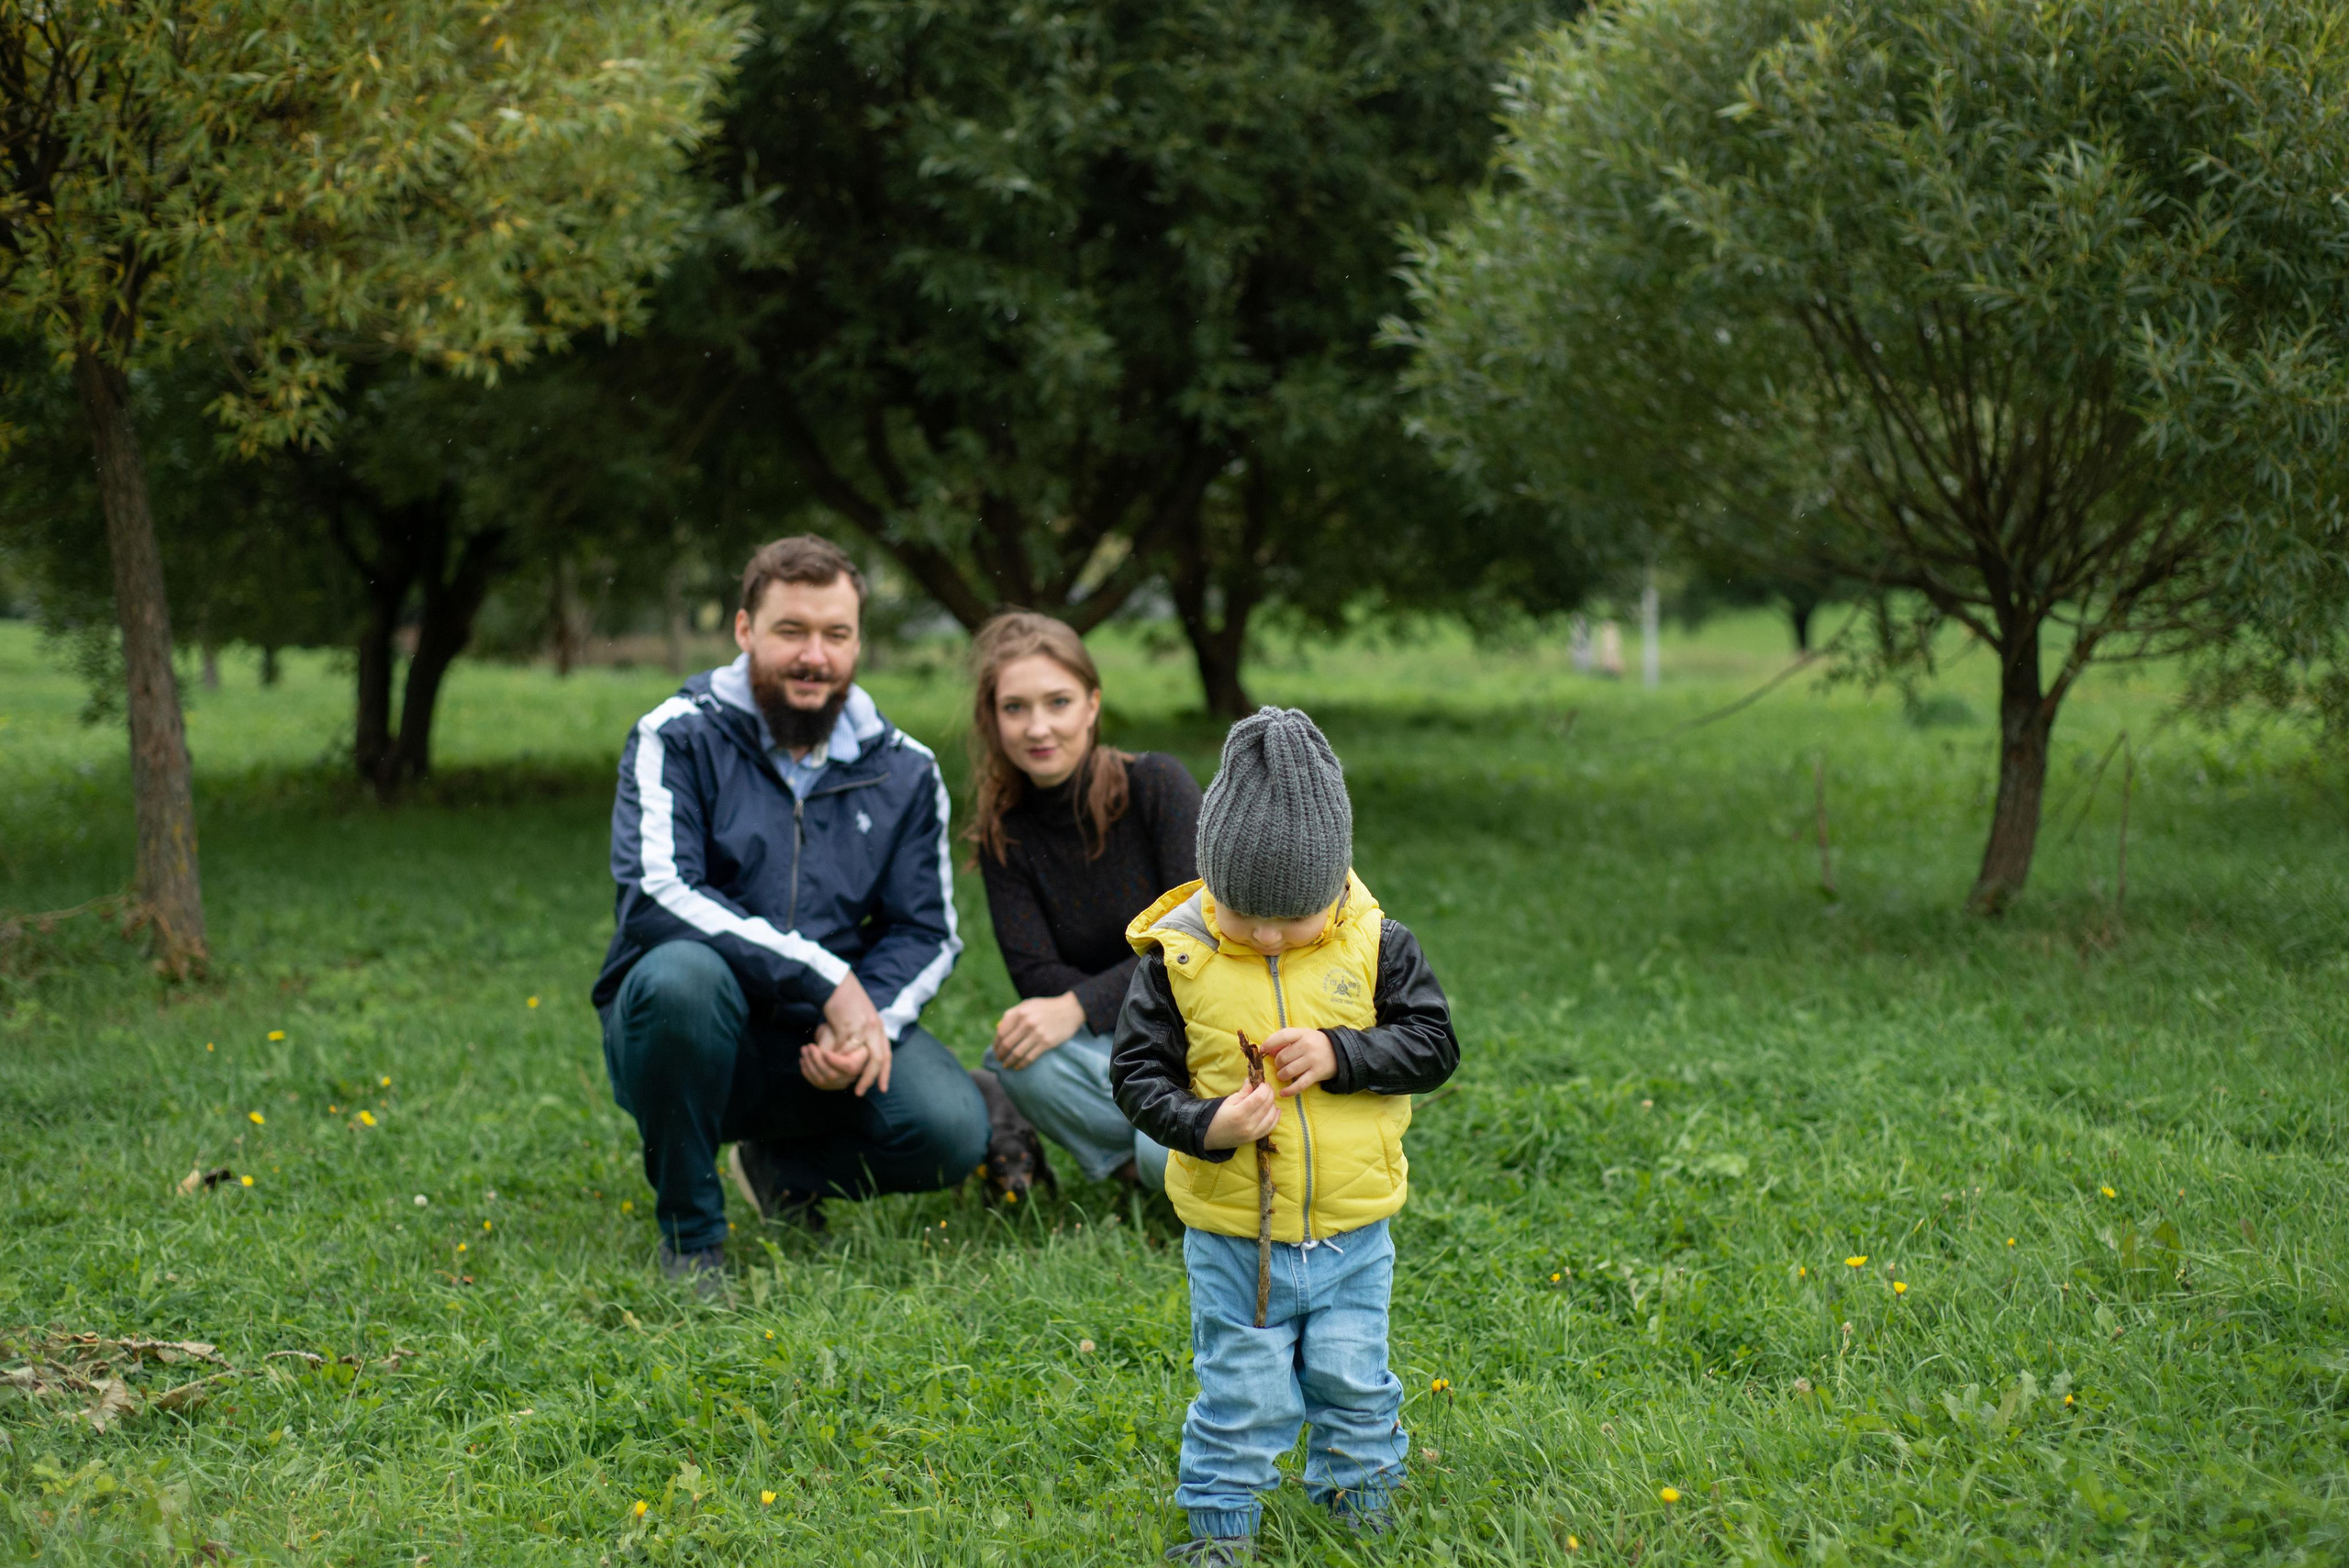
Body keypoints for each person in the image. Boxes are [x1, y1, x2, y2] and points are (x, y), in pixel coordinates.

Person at [592, 535, 985, 1292]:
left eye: (836, 634)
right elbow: (659, 894)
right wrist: (829, 979)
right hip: (694, 1029)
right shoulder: (674, 735)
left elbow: (924, 929)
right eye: (791, 631)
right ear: (744, 631)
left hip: (819, 1043)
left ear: (858, 641)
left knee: (950, 1127)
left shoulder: (905, 770)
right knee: (680, 977)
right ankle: (692, 1234)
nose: (815, 656)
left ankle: (782, 1171)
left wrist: (867, 1023)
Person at [1111, 706, 1458, 1562]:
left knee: (1354, 1380)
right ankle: (1220, 1536)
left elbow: (1434, 1044)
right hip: (1234, 1237)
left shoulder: (1377, 945)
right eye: (1242, 911)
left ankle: (1361, 1522)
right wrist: (1207, 1123)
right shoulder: (1176, 960)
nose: (1266, 935)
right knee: (1241, 1394)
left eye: (1292, 917)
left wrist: (1343, 1051)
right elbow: (1135, 1076)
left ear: (1335, 883)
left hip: (1350, 1231)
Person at [968, 611, 1199, 1190]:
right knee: (1019, 1059)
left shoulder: (1157, 786)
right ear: (993, 720)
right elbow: (1035, 974)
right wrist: (1072, 1008)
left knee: (1163, 1156)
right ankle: (1142, 1162)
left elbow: (1196, 937)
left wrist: (1077, 1004)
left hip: (1199, 1026)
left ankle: (1157, 1160)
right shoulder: (1006, 834)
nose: (1038, 727)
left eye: (1058, 702)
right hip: (1111, 1043)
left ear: (1092, 705)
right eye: (1015, 708)